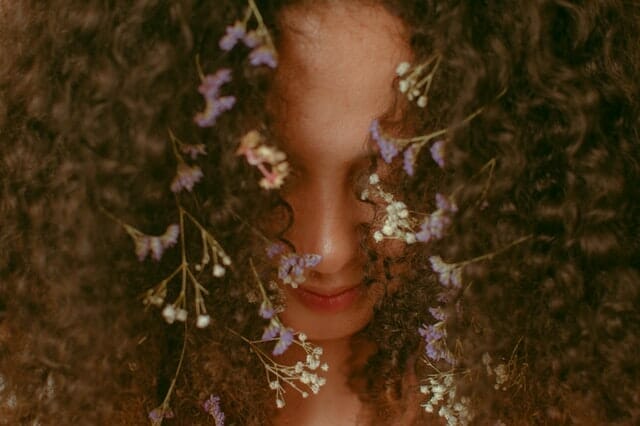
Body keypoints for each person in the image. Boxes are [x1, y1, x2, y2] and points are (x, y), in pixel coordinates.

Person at [1, 0, 638, 424]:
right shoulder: (50, 390)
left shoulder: (571, 393)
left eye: (384, 173)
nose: (329, 250)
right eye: (268, 175)